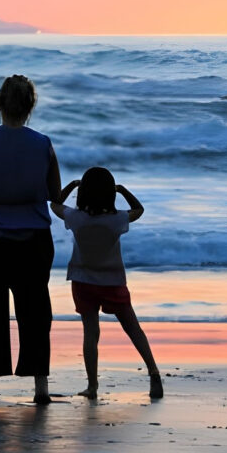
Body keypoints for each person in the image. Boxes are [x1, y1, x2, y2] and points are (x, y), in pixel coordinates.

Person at [0, 75, 61, 404]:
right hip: (34, 239)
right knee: (35, 312)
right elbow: (53, 192)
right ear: (31, 105)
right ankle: (41, 387)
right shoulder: (43, 144)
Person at [51, 167, 163, 399]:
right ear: (110, 194)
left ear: (84, 193)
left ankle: (92, 386)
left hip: (83, 280)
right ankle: (153, 372)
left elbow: (55, 204)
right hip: (112, 280)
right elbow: (139, 209)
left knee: (91, 333)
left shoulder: (77, 218)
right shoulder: (117, 219)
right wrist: (122, 190)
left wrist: (72, 185)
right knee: (133, 328)